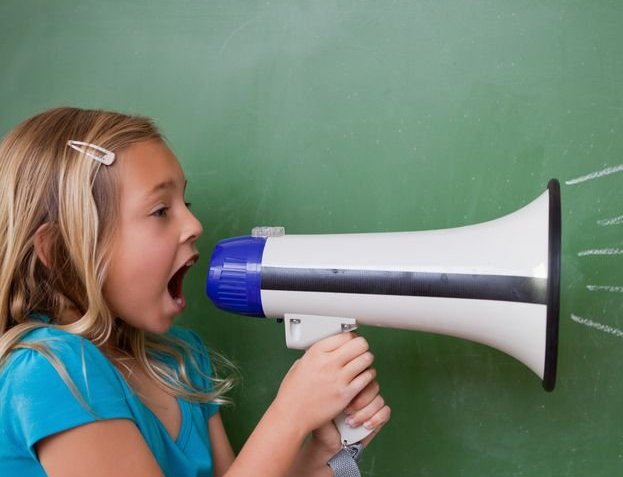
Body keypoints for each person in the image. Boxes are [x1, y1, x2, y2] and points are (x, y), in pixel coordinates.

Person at [0, 107, 390, 476]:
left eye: (185, 203)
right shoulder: (52, 371)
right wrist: (290, 415)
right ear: (61, 249)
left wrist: (324, 455)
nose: (194, 224)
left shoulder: (180, 360)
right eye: (160, 211)